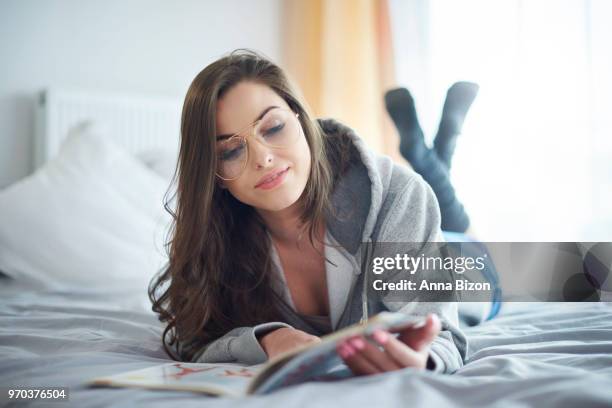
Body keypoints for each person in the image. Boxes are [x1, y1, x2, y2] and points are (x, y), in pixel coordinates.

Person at [149, 49, 466, 376]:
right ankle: (437, 153)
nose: (263, 158)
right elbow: (193, 338)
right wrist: (270, 339)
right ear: (214, 174)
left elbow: (443, 335)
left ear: (301, 119)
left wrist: (423, 358)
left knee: (467, 236)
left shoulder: (400, 195)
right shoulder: (217, 239)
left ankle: (440, 152)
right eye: (231, 150)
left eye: (272, 128)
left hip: (468, 264)